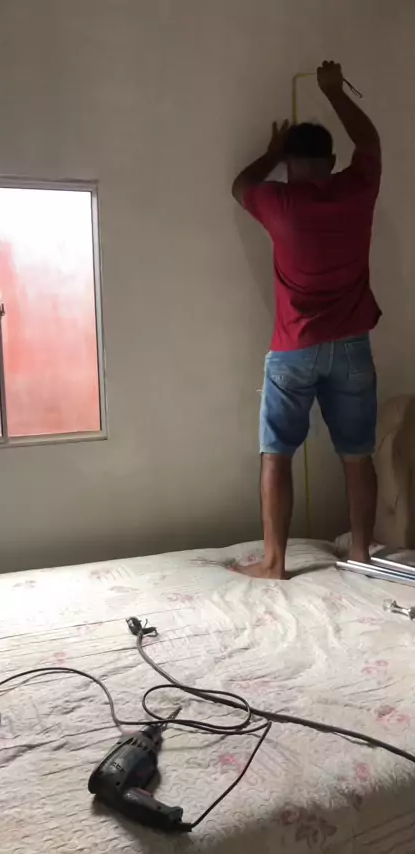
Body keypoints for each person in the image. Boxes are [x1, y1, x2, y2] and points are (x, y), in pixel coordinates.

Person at [231, 61, 382, 579]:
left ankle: (274, 562)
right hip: (352, 346)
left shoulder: (278, 200)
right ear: (331, 162)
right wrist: (334, 91)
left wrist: (272, 153)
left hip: (294, 347)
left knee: (276, 454)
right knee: (358, 455)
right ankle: (360, 551)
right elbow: (370, 142)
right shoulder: (356, 189)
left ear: (291, 166)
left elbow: (241, 184)